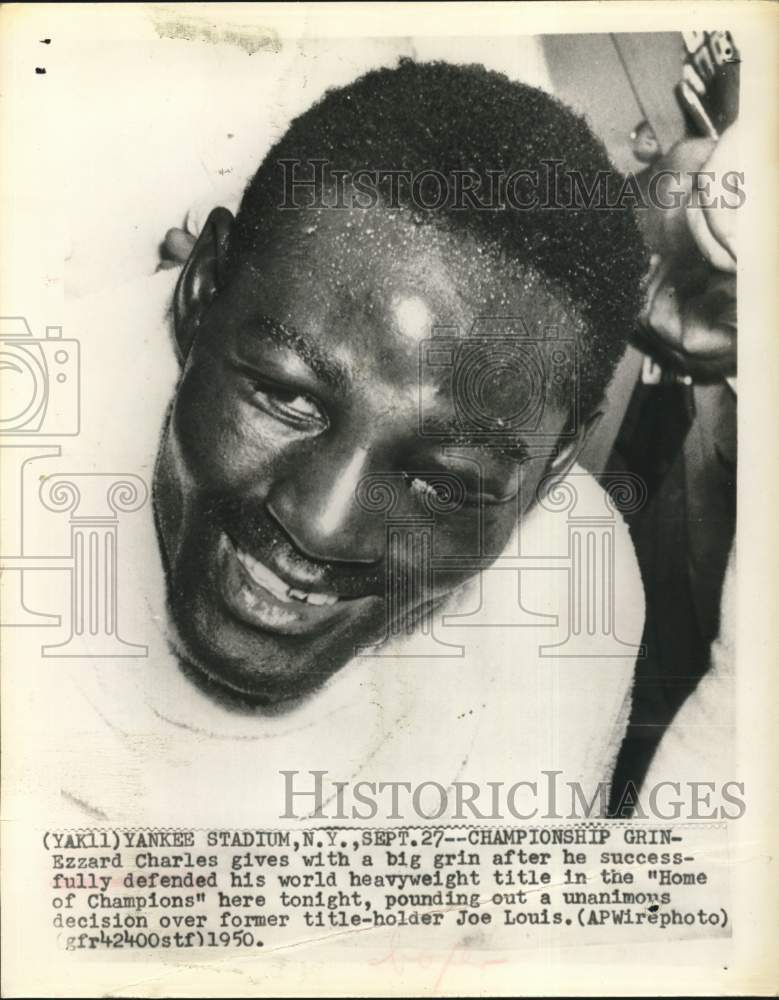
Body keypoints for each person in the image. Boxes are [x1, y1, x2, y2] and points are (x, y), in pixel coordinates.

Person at [39, 59, 649, 824]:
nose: (322, 523)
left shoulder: (565, 610)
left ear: (554, 464)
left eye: (445, 482)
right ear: (200, 291)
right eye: (288, 398)